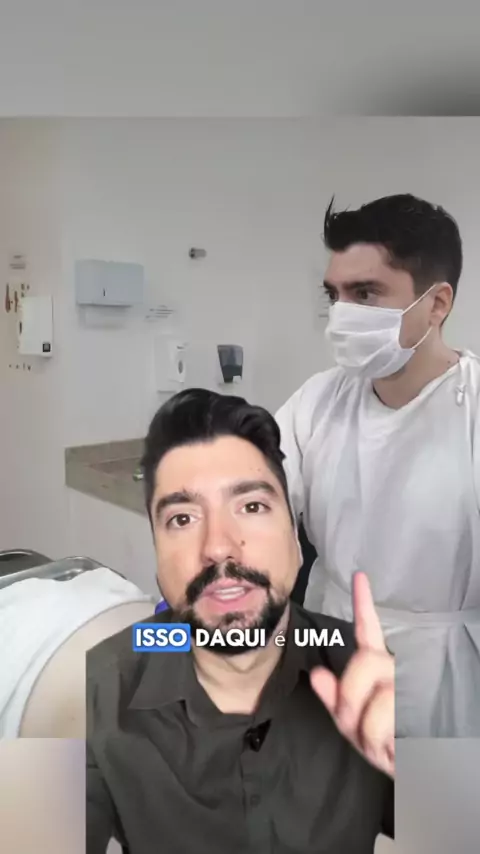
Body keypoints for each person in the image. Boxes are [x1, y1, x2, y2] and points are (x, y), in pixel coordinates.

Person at [86, 389, 394, 854]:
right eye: (183, 518)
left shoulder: (371, 676)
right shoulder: (96, 688)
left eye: (251, 507)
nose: (218, 547)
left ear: (296, 537)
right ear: (156, 551)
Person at [275, 193, 480, 739]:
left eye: (365, 293)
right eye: (334, 295)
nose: (342, 314)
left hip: (440, 680)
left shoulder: (474, 412)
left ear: (436, 304)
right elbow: (260, 488)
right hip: (329, 652)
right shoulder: (319, 401)